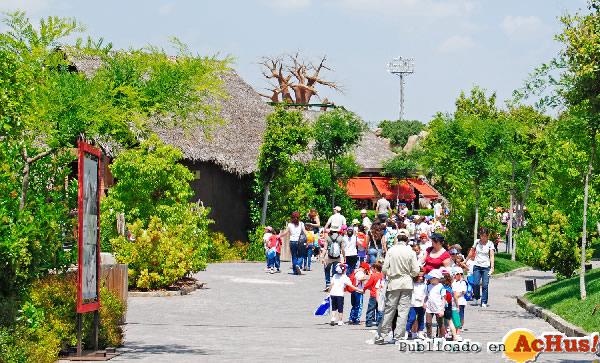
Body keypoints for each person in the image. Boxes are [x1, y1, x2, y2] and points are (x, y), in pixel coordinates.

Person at [368, 229, 420, 345]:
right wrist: (408, 275)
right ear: (407, 239)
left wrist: (393, 273)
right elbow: (416, 271)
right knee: (403, 311)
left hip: (393, 283)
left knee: (389, 310)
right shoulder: (410, 252)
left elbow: (385, 269)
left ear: (397, 238)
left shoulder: (391, 251)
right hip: (406, 283)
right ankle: (399, 337)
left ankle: (381, 336)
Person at [466, 228, 495, 307]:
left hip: (486, 266)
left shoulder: (490, 244)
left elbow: (491, 256)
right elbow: (472, 252)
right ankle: (476, 297)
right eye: (482, 236)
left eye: (485, 236)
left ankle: (484, 301)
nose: (483, 238)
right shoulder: (477, 242)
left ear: (487, 236)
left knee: (485, 285)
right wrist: (466, 260)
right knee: (476, 283)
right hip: (477, 265)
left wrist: (492, 267)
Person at [404, 268, 426, 339]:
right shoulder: (412, 284)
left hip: (421, 304)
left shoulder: (424, 284)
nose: (420, 278)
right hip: (412, 304)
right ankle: (406, 332)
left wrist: (424, 302)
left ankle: (420, 332)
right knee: (412, 318)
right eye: (419, 276)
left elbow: (426, 294)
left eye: (422, 276)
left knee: (421, 318)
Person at [423, 269, 444, 338]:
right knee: (428, 322)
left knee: (440, 323)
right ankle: (429, 336)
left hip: (438, 307)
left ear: (436, 278)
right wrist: (425, 302)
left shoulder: (441, 287)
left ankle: (441, 337)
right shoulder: (428, 286)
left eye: (431, 278)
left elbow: (444, 299)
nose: (430, 279)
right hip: (429, 307)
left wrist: (442, 309)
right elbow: (426, 296)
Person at [440, 268, 460, 341]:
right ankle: (455, 336)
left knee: (442, 323)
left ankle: (442, 336)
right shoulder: (450, 288)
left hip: (442, 306)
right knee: (450, 322)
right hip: (449, 306)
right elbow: (453, 297)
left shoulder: (441, 288)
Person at [363, 261, 384, 327]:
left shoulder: (374, 275)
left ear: (375, 268)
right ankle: (379, 321)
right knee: (379, 308)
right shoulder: (382, 275)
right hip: (380, 294)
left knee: (371, 309)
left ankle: (369, 322)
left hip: (374, 294)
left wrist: (364, 289)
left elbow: (368, 284)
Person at [453, 266, 467, 332]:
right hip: (454, 301)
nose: (454, 276)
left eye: (455, 274)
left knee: (460, 314)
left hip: (460, 301)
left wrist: (456, 295)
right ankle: (455, 325)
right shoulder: (454, 282)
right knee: (455, 314)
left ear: (460, 274)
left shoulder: (463, 282)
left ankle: (461, 325)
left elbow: (463, 291)